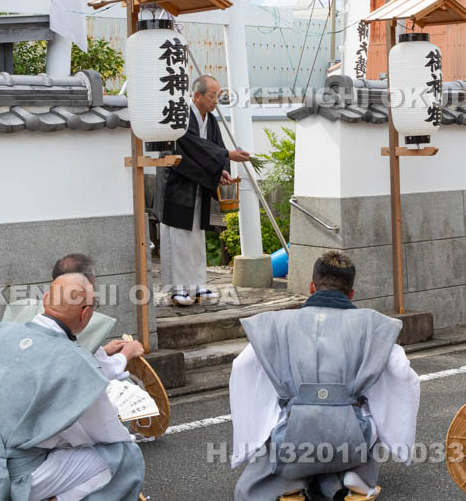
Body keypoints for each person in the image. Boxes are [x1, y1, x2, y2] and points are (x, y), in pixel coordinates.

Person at [0, 273, 145, 500]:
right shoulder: (74, 361)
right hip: (15, 474)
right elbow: (98, 430)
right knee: (122, 454)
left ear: (44, 300)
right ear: (86, 314)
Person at [229, 251, 419, 501]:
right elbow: (402, 375)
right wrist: (398, 440)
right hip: (351, 438)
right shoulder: (373, 325)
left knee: (277, 421)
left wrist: (255, 432)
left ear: (311, 287)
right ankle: (357, 478)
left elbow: (241, 366)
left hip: (292, 437)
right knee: (374, 411)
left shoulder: (277, 323)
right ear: (351, 293)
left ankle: (291, 483)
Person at [154, 74, 251, 306]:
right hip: (177, 184)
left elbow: (214, 147)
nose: (216, 100)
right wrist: (227, 155)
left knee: (197, 236)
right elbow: (193, 145)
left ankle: (197, 285)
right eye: (212, 96)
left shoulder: (211, 120)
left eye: (218, 96)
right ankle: (177, 289)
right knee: (178, 237)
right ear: (196, 95)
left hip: (198, 184)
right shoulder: (180, 116)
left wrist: (221, 171)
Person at [2, 253, 122, 358]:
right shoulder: (80, 324)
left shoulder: (19, 309)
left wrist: (102, 353)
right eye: (91, 286)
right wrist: (121, 359)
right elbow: (70, 369)